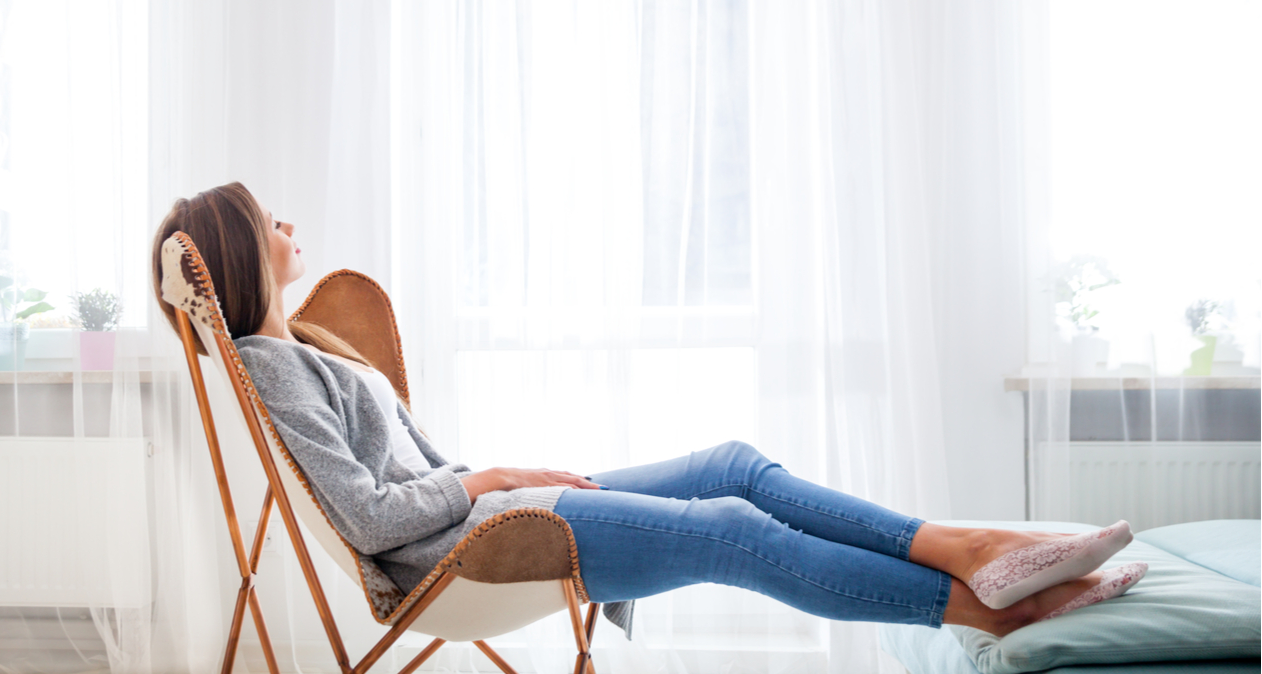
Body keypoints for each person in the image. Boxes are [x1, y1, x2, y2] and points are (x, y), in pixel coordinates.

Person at [151, 182, 1146, 639]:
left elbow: (404, 475)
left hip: (486, 513)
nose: (289, 222)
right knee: (731, 529)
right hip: (465, 549)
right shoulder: (268, 369)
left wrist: (494, 478)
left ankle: (968, 546)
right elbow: (371, 520)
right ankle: (984, 604)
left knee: (731, 464)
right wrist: (491, 477)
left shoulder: (305, 348)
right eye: (267, 220)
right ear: (241, 255)